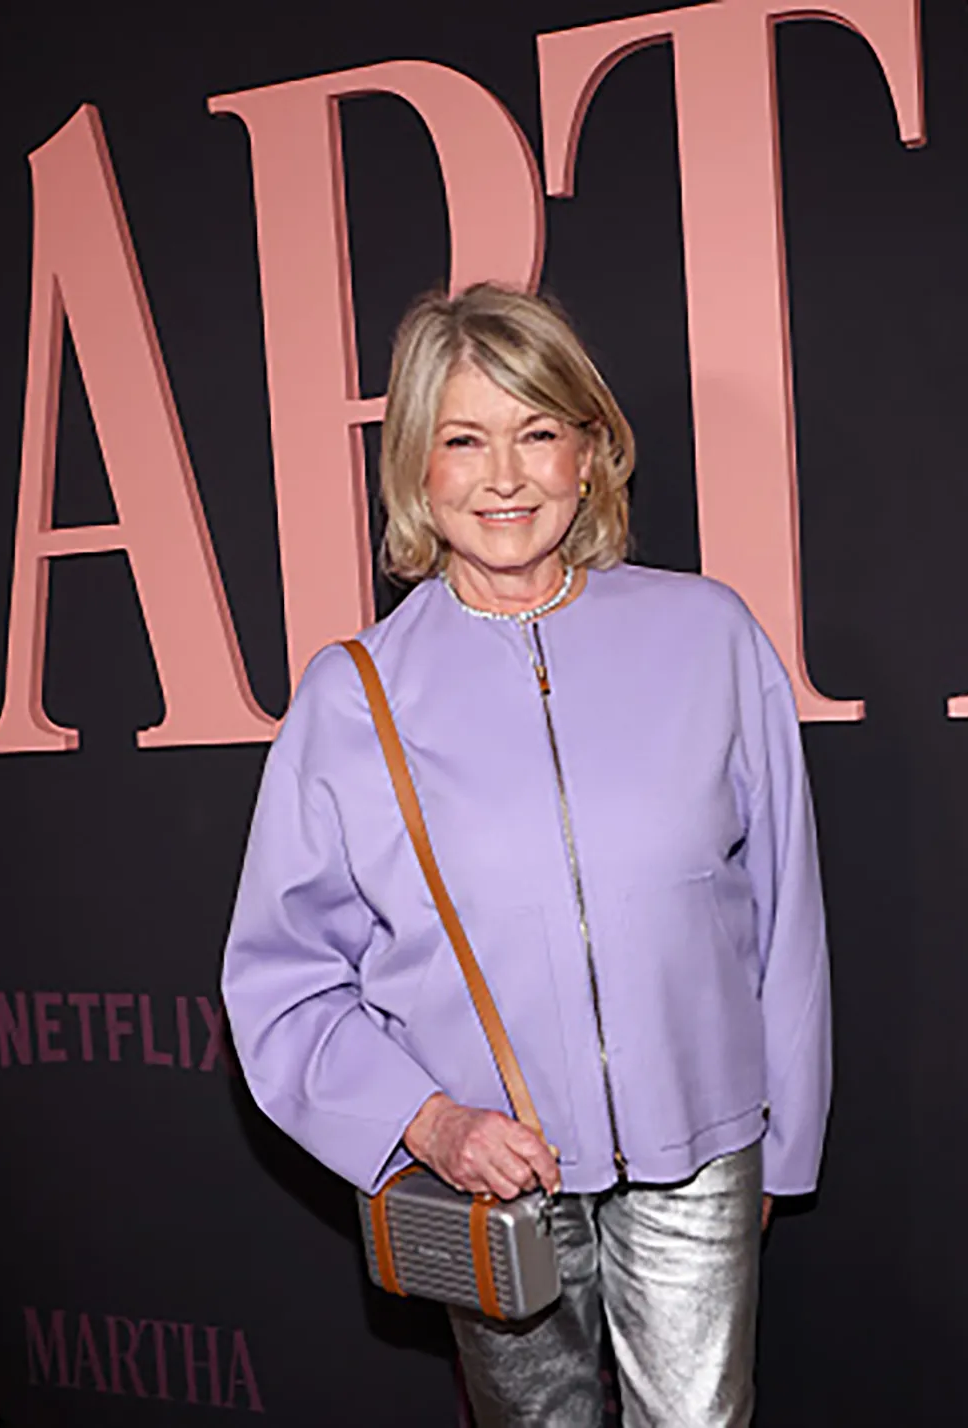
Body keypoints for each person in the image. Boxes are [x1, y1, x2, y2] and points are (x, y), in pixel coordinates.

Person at [221, 282, 831, 1428]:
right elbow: (281, 981)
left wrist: (777, 1146)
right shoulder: (353, 699)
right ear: (416, 469)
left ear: (590, 454)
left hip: (696, 1152)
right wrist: (429, 1124)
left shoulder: (709, 636)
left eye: (537, 432)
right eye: (463, 440)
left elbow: (784, 912)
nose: (504, 476)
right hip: (491, 1174)